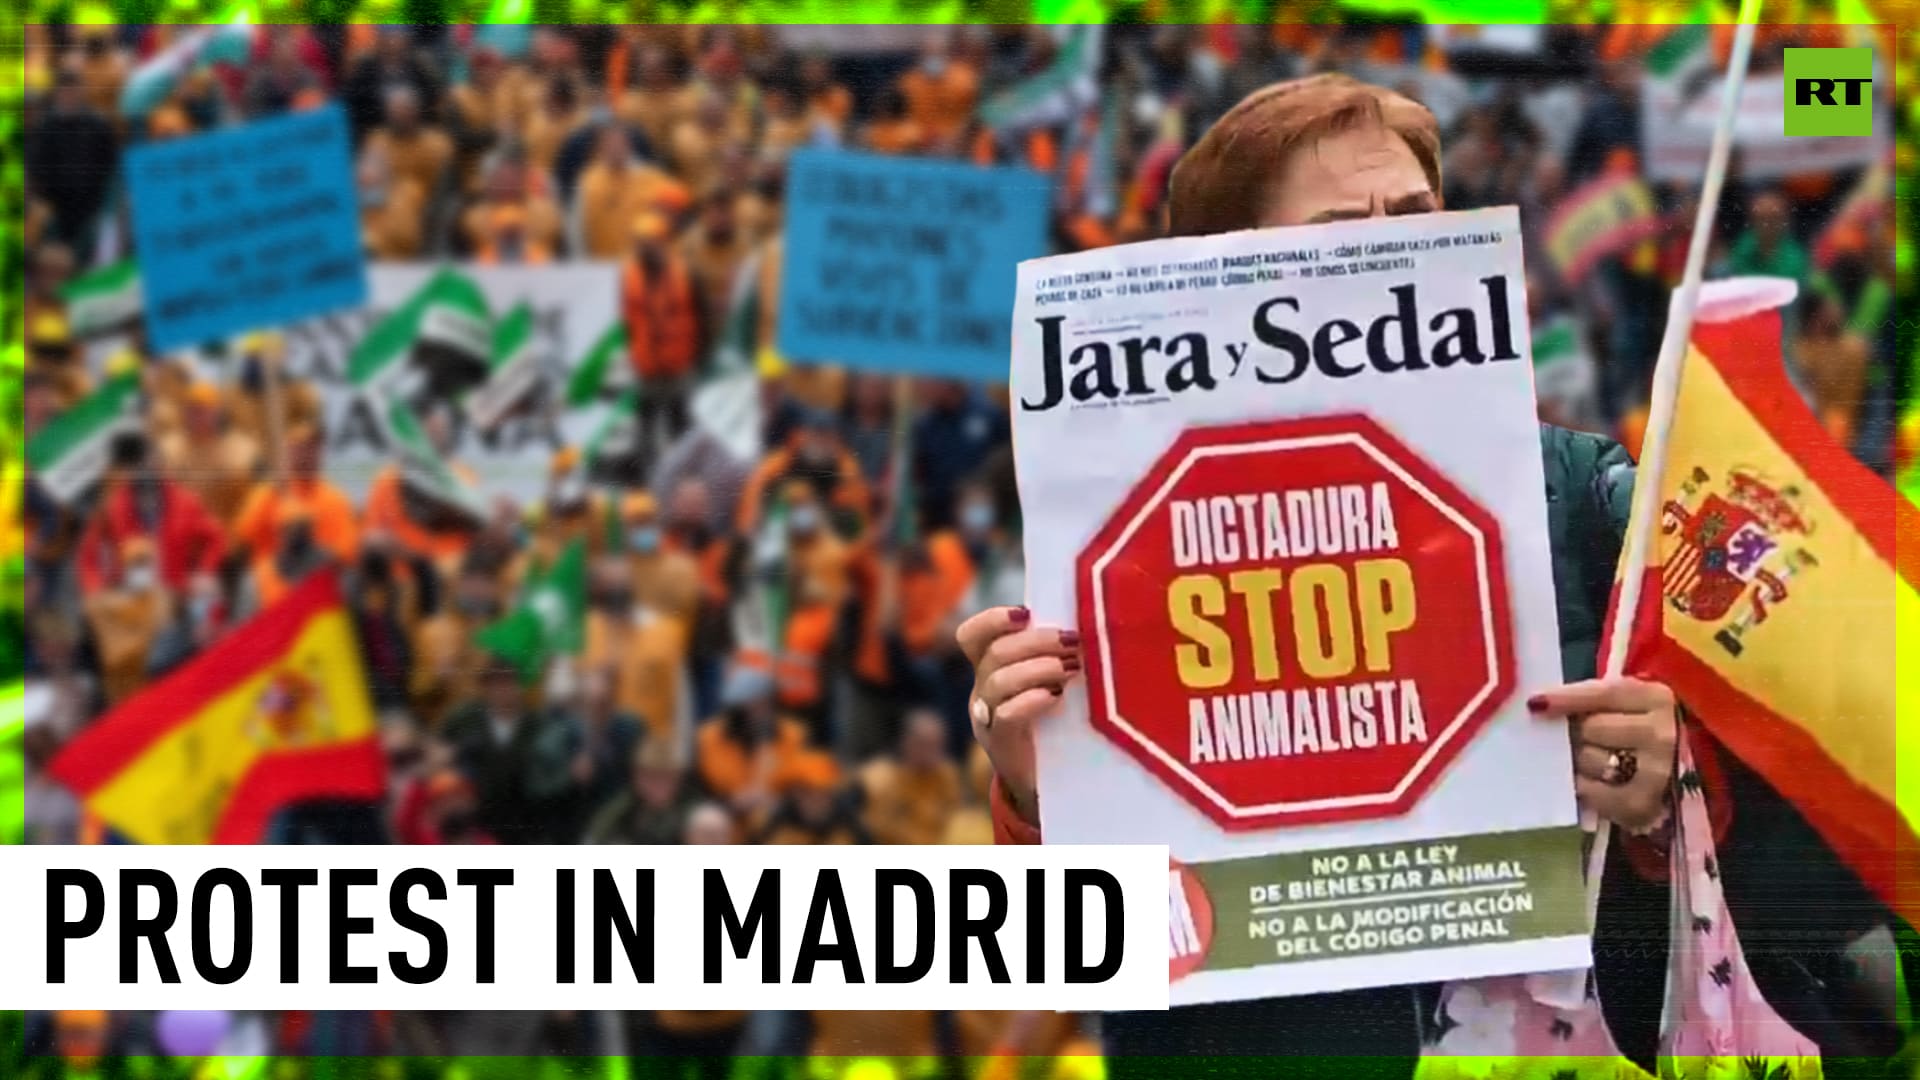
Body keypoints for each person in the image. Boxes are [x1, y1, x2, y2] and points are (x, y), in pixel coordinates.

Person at [956, 74, 1896, 1073]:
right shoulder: (1117, 551)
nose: (1391, 250)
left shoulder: (1589, 501)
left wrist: (1678, 800)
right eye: (1338, 230)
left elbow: (1846, 823)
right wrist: (1041, 798)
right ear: (1222, 286)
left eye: (1413, 217)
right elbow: (1088, 954)